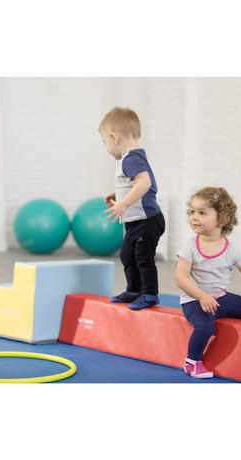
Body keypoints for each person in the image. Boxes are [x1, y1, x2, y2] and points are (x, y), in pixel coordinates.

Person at [175, 186, 241, 378]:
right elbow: (181, 278)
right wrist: (202, 296)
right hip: (195, 301)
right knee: (205, 327)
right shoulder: (190, 246)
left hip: (221, 298)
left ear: (221, 219)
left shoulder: (232, 250)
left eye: (202, 213)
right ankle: (192, 362)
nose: (194, 217)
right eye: (192, 211)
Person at [99, 107, 165, 310]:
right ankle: (135, 290)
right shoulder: (131, 157)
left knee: (143, 258)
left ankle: (150, 294)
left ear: (114, 137)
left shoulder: (131, 158)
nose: (106, 147)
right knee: (127, 255)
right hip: (136, 221)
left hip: (147, 220)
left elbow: (144, 183)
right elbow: (134, 183)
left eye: (104, 142)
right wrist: (118, 195)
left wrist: (124, 203)